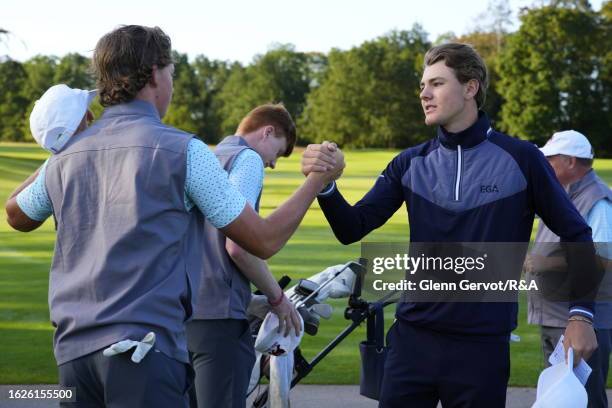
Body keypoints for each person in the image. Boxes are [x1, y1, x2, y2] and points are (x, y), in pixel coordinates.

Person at [4, 25, 342, 408]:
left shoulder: (64, 159)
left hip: (73, 359)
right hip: (143, 356)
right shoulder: (183, 150)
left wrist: (64, 148)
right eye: (171, 74)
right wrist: (318, 179)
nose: (172, 85)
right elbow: (260, 240)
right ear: (153, 74)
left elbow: (16, 213)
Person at [301, 43, 599, 407]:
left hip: (482, 348)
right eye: (423, 86)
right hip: (412, 341)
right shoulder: (409, 163)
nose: (424, 94)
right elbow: (352, 227)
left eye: (437, 83)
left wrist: (581, 315)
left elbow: (577, 234)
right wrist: (326, 184)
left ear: (470, 88)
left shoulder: (523, 160)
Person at [187, 104, 302, 408]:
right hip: (219, 322)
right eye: (276, 154)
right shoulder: (247, 159)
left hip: (183, 314)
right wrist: (278, 299)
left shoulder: (210, 157)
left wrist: (252, 301)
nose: (272, 164)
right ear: (267, 132)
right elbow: (237, 246)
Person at [527, 130, 612, 408]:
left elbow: (604, 257)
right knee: (559, 398)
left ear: (571, 162)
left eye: (550, 160)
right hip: (556, 316)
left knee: (585, 400)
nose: (544, 166)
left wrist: (544, 263)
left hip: (581, 324)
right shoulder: (561, 194)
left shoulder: (597, 200)